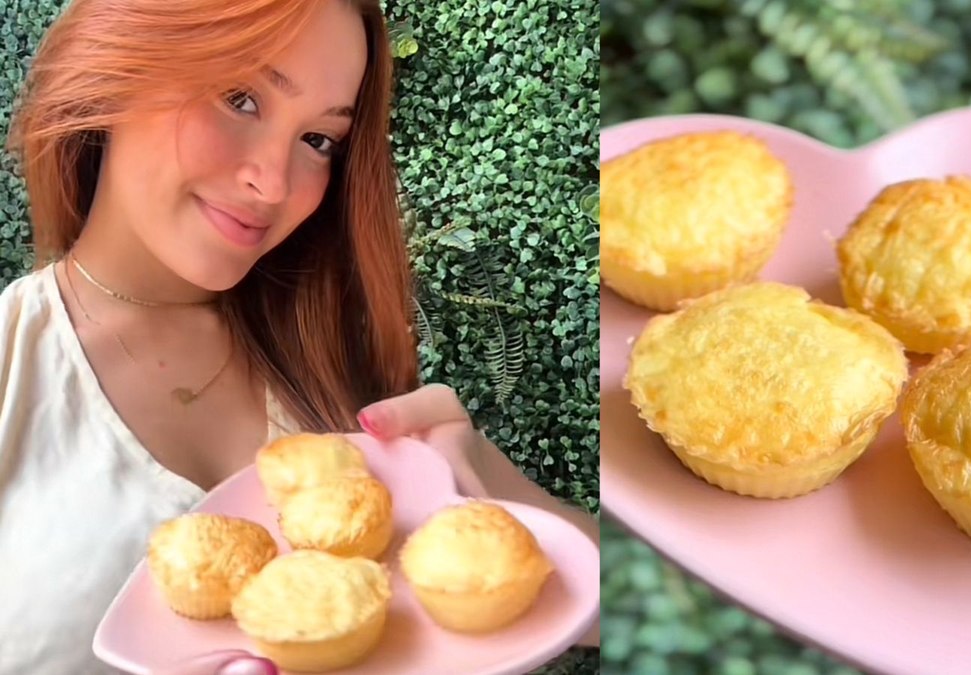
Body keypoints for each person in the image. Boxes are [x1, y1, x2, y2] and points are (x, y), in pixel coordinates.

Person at [0, 0, 598, 673]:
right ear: (118, 60)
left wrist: (497, 492)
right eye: (240, 98)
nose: (274, 181)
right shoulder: (15, 363)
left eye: (319, 141)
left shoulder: (328, 361)